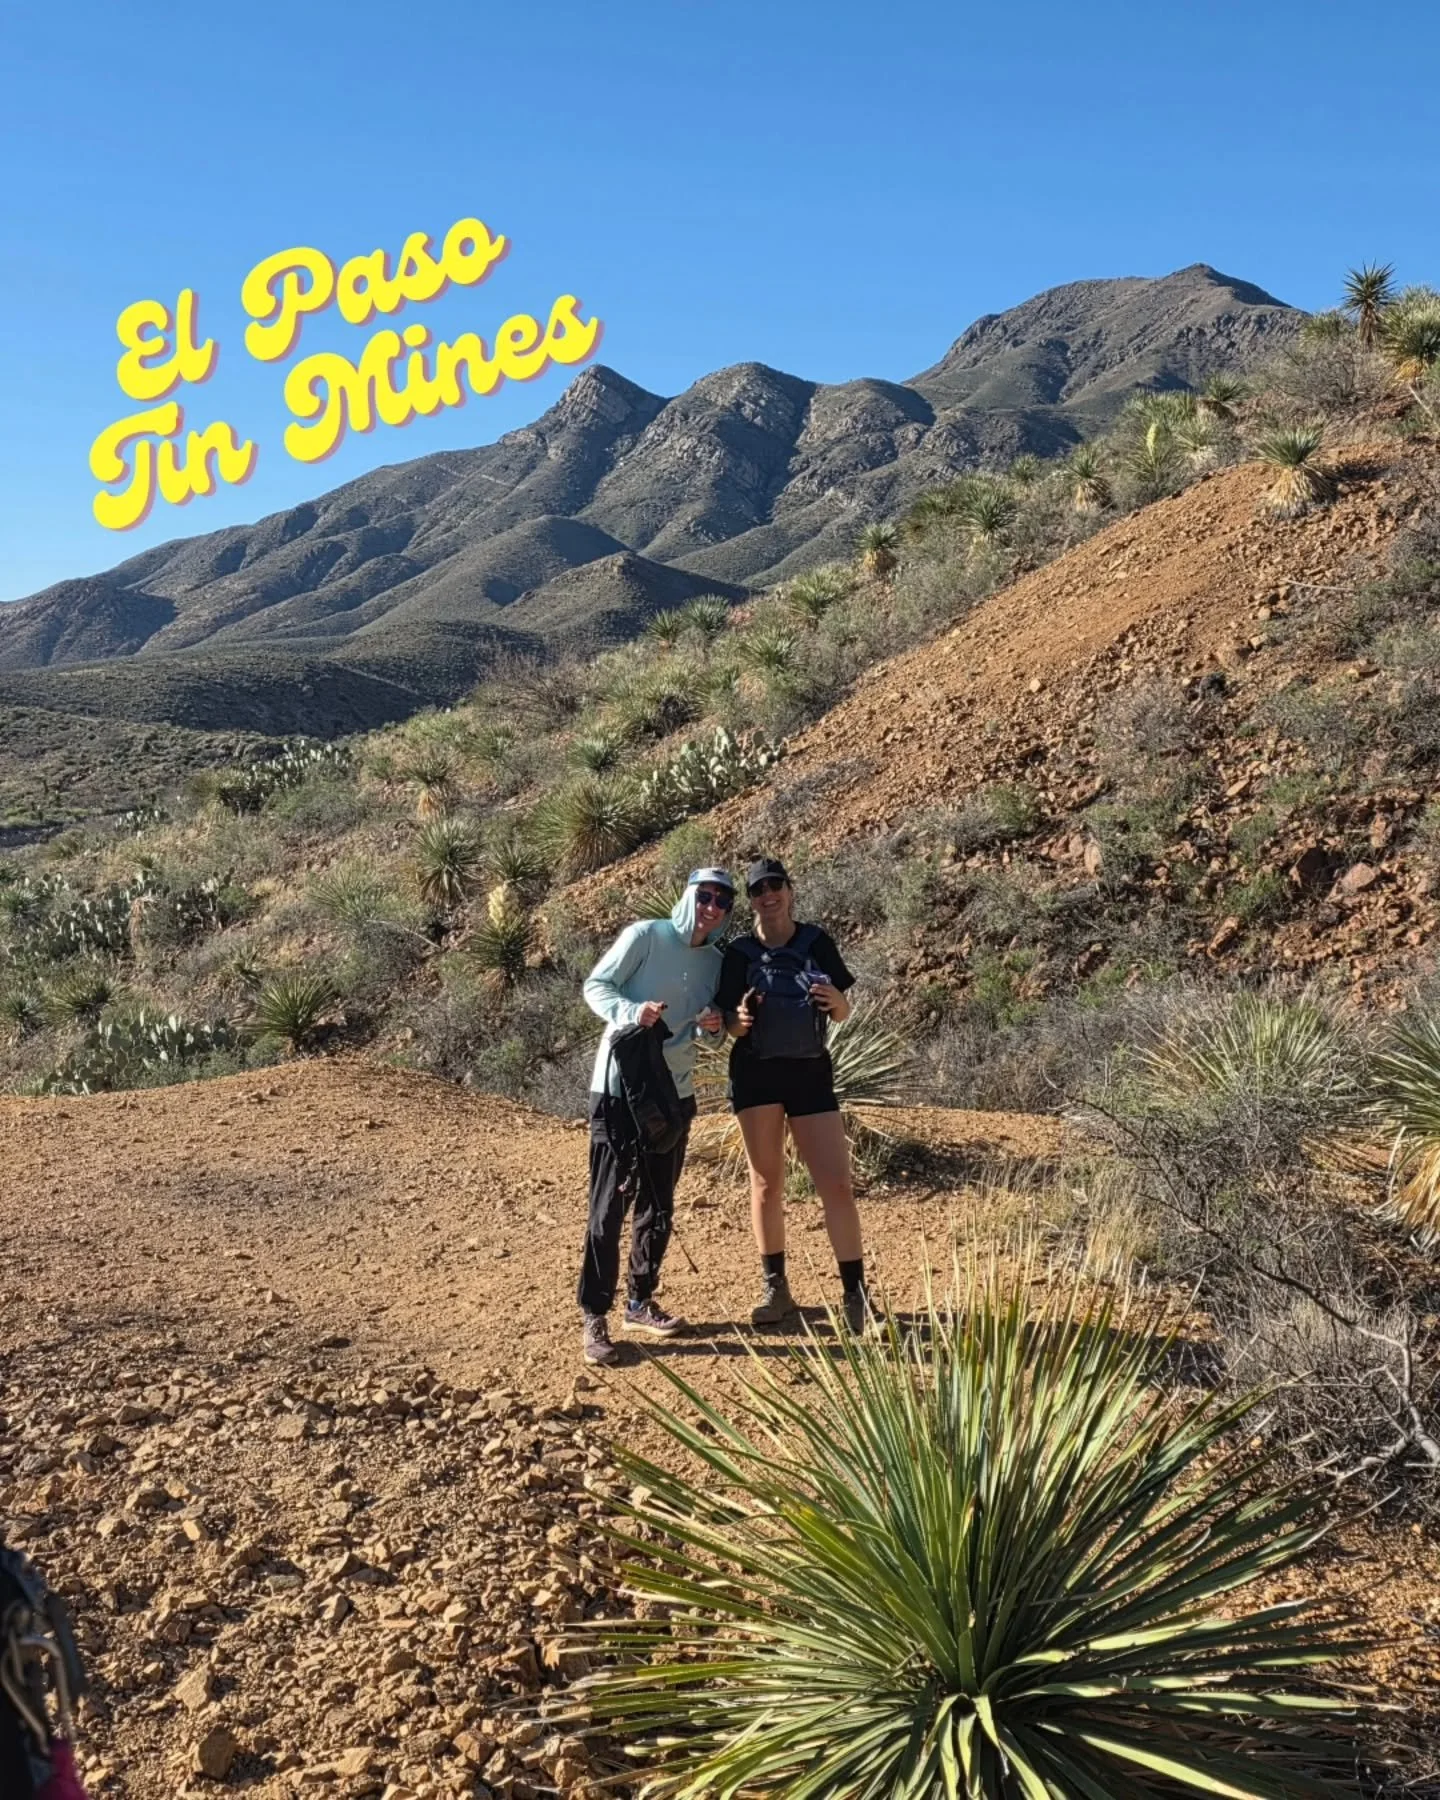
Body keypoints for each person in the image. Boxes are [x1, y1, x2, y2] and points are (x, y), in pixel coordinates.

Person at [576, 867, 735, 1366]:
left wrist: (713, 1027)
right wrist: (632, 1011)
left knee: (658, 1202)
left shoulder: (716, 960)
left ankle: (639, 1301)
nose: (712, 907)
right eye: (705, 896)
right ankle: (594, 1316)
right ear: (690, 894)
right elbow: (596, 986)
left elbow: (714, 1028)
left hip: (675, 1094)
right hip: (621, 1088)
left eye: (723, 901)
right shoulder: (645, 935)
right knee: (608, 1206)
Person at [715, 857, 879, 1334]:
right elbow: (728, 1023)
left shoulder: (816, 942)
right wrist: (738, 1022)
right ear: (750, 901)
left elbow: (843, 1012)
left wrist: (838, 1003)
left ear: (790, 890)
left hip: (810, 1072)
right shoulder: (738, 953)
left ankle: (855, 1294)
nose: (768, 895)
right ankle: (776, 1289)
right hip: (755, 1075)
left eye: (775, 885)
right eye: (758, 890)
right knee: (766, 1183)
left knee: (837, 1184)